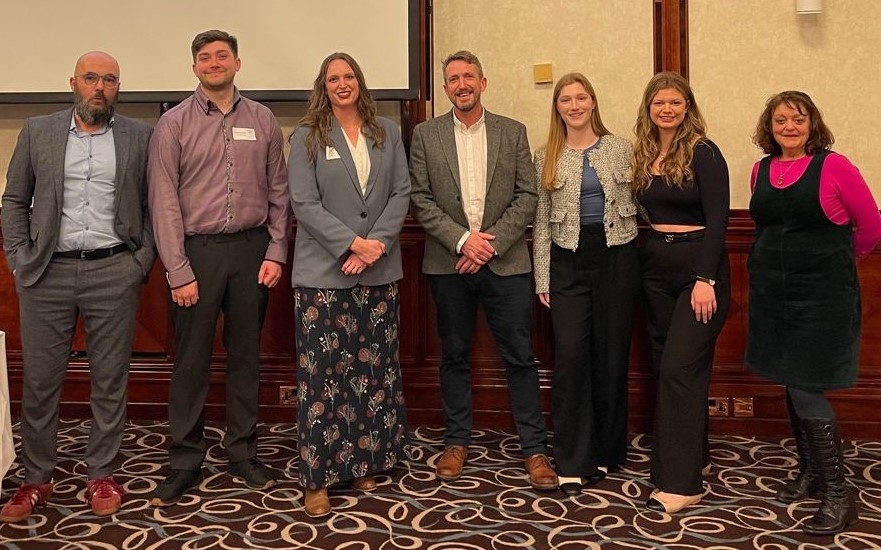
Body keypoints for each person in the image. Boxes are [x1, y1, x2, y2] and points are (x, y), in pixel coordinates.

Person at [0, 51, 154, 522]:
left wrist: (140, 262)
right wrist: (19, 260)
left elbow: (155, 204)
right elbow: (13, 201)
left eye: (110, 79)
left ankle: (102, 472)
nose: (100, 87)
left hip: (114, 271)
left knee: (110, 380)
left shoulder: (140, 136)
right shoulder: (38, 131)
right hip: (47, 273)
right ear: (73, 83)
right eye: (91, 78)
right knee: (42, 382)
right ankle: (35, 479)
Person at [147, 29, 290, 506]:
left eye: (221, 56)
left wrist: (275, 251)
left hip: (252, 253)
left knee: (246, 356)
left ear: (237, 63)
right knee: (191, 362)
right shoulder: (173, 124)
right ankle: (185, 459)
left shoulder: (264, 119)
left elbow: (278, 191)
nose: (213, 63)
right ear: (194, 68)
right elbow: (163, 200)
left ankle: (242, 451)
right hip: (197, 254)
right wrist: (177, 269)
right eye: (204, 58)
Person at [409, 50, 556, 490]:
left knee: (519, 358)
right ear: (446, 87)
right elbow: (421, 198)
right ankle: (456, 442)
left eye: (468, 76)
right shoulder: (425, 134)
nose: (461, 84)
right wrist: (462, 240)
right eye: (453, 79)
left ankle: (534, 450)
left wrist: (486, 245)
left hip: (505, 262)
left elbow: (526, 196)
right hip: (447, 262)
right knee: (454, 355)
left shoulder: (512, 132)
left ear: (483, 82)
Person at [746, 91, 881, 536]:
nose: (789, 126)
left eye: (798, 119)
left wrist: (837, 266)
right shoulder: (761, 169)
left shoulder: (835, 166)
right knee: (790, 379)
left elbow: (871, 228)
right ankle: (811, 473)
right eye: (780, 119)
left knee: (806, 386)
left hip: (823, 299)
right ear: (770, 127)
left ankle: (840, 494)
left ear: (812, 124)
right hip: (772, 295)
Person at [287, 52, 412, 519]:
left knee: (372, 374)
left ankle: (364, 460)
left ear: (360, 81)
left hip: (379, 272)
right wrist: (351, 245)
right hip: (324, 274)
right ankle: (318, 478)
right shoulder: (306, 136)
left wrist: (375, 244)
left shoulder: (388, 133)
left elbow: (401, 191)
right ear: (323, 85)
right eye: (333, 78)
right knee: (324, 379)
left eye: (349, 76)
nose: (343, 84)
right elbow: (304, 201)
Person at [532, 73, 640, 496]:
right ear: (557, 108)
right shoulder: (546, 157)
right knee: (572, 357)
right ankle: (574, 458)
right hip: (568, 262)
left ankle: (609, 451)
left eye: (581, 98)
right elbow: (540, 221)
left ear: (593, 102)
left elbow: (646, 204)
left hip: (618, 257)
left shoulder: (621, 149)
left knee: (611, 356)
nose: (574, 105)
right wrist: (543, 275)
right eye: (565, 100)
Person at [631, 72, 730, 513]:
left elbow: (720, 219)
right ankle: (698, 457)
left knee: (678, 370)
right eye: (659, 103)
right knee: (666, 367)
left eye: (674, 102)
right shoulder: (646, 153)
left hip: (698, 271)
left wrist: (705, 279)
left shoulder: (704, 153)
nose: (666, 110)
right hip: (655, 266)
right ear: (648, 109)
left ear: (687, 107)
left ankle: (682, 483)